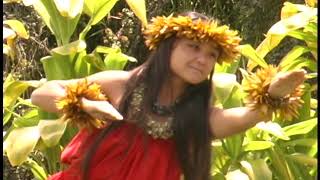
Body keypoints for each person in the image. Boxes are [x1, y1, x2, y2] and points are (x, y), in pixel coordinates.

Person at [31, 11, 306, 180]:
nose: (203, 59)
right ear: (168, 48)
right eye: (193, 47)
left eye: (211, 54)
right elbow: (42, 93)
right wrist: (85, 103)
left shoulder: (195, 117)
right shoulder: (120, 86)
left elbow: (244, 117)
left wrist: (272, 94)